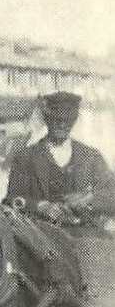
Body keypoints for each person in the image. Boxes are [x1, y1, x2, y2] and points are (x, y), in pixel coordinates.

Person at [7, 91, 115, 228]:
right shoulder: (26, 158)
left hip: (86, 235)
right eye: (57, 120)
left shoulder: (91, 157)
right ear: (47, 119)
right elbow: (11, 199)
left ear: (74, 121)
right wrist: (41, 207)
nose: (63, 125)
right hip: (41, 236)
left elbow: (112, 193)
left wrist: (89, 199)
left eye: (68, 121)